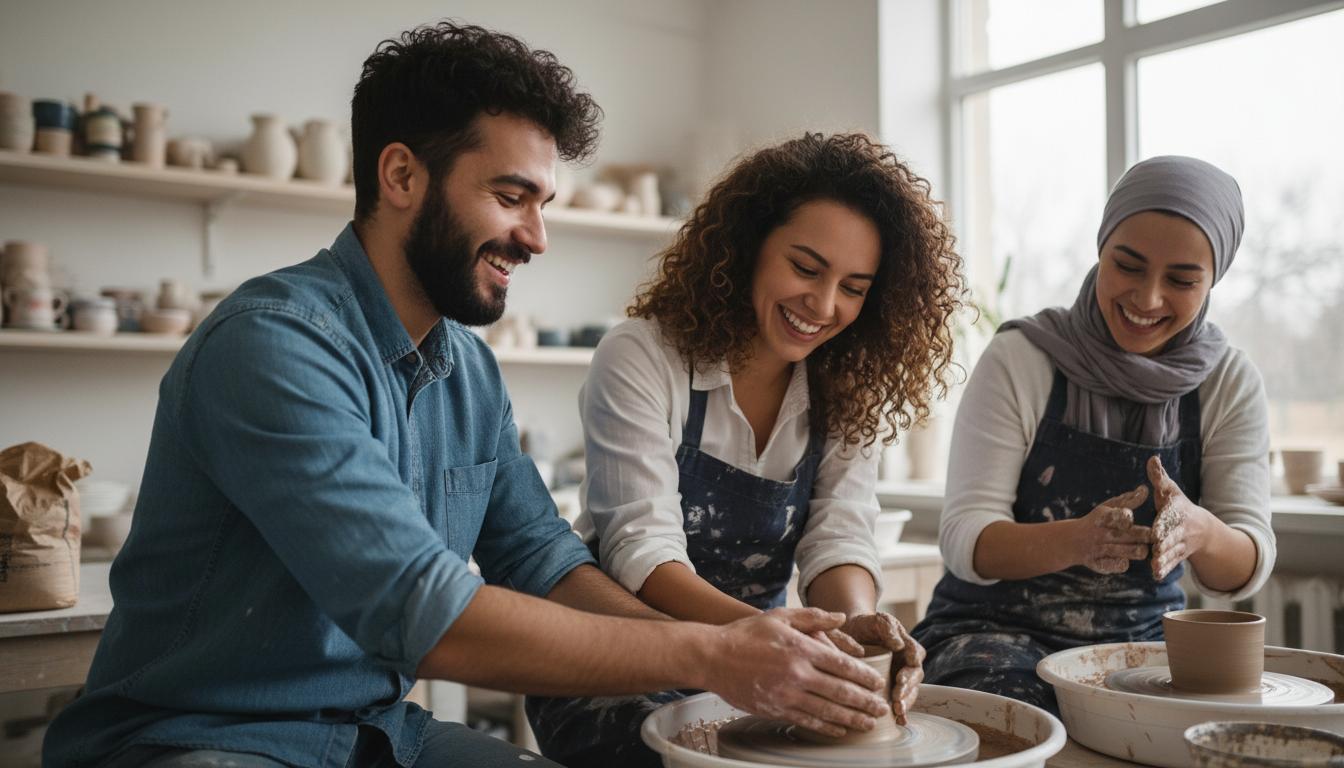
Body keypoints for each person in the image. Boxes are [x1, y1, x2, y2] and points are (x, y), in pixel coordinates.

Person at [42, 24, 894, 768]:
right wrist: (714, 656)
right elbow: (423, 611)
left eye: (543, 203)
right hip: (199, 737)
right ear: (403, 176)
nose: (537, 236)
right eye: (510, 196)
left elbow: (544, 560)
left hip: (374, 734)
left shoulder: (466, 370)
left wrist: (747, 647)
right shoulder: (272, 345)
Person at [527, 133, 968, 767]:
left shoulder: (846, 385)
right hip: (620, 655)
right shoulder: (645, 355)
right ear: (748, 245)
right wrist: (767, 644)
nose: (823, 304)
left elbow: (839, 537)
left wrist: (848, 636)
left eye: (854, 286)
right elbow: (640, 550)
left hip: (766, 662)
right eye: (807, 268)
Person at [910, 155, 1277, 715]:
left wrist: (1200, 532)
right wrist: (1077, 541)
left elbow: (1246, 559)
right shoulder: (1023, 358)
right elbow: (966, 537)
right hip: (991, 634)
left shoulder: (1228, 382)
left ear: (1214, 278)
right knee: (1027, 720)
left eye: (1181, 280)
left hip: (1143, 644)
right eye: (1127, 266)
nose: (1148, 298)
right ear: (1100, 249)